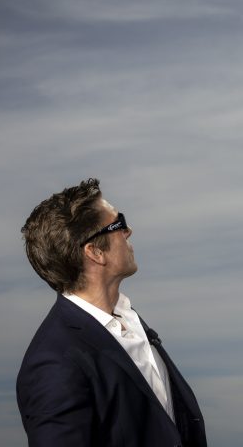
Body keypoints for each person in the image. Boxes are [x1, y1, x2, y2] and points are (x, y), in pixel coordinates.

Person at [17, 178, 206, 447]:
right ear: (95, 252)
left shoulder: (130, 319)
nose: (128, 230)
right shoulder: (54, 362)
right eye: (118, 224)